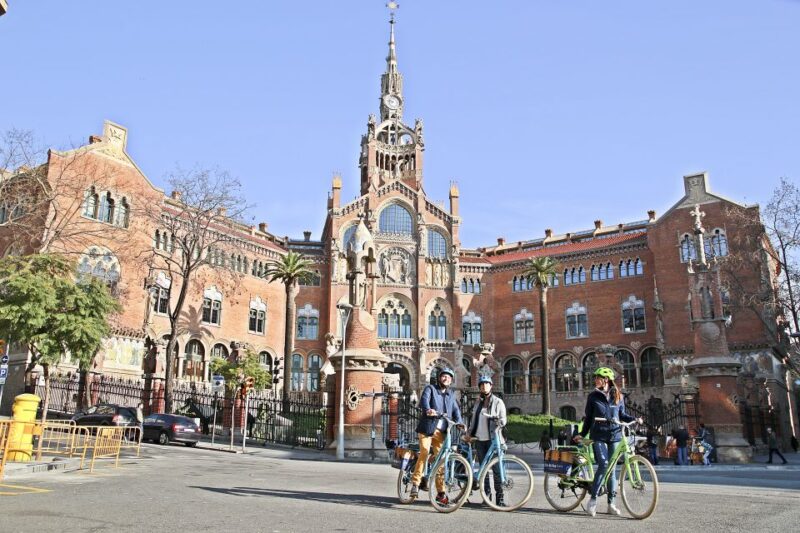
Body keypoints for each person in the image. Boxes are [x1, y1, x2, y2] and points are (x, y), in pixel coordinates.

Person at [573, 367, 640, 517]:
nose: (595, 380)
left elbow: (622, 414)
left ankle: (611, 504)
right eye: (595, 377)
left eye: (598, 377)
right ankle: (593, 500)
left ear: (606, 380)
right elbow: (589, 418)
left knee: (612, 470)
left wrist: (635, 419)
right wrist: (581, 434)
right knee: (604, 464)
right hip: (599, 435)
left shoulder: (618, 395)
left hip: (615, 435)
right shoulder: (593, 397)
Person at [409, 367, 463, 504]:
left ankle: (441, 493)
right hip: (427, 428)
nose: (446, 379)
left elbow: (456, 411)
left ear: (451, 381)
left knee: (442, 461)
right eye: (444, 376)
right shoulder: (430, 389)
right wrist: (428, 410)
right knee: (425, 453)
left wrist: (460, 422)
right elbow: (424, 401)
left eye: (449, 377)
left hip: (441, 432)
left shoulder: (451, 395)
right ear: (439, 378)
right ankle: (415, 483)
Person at [467, 375, 507, 507]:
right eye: (482, 384)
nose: (484, 386)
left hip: (493, 439)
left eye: (486, 384)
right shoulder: (478, 402)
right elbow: (473, 421)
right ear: (479, 387)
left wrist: (497, 420)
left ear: (491, 386)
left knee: (497, 470)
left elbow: (503, 420)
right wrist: (469, 433)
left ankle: (499, 499)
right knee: (483, 470)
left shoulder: (498, 402)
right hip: (480, 440)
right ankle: (486, 497)